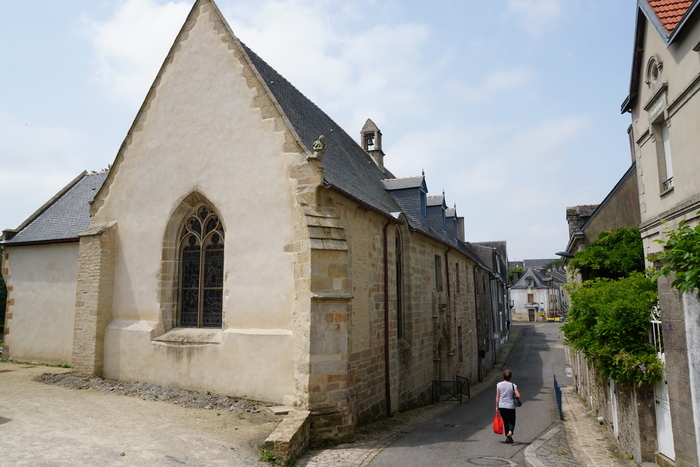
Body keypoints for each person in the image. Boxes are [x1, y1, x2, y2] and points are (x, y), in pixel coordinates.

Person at [495, 369, 521, 443]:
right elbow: (518, 395)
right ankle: (510, 433)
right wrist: (514, 394)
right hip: (510, 406)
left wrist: (497, 406)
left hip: (502, 405)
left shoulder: (499, 385)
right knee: (512, 421)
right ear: (510, 377)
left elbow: (497, 396)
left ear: (503, 376)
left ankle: (507, 437)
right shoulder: (513, 385)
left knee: (505, 421)